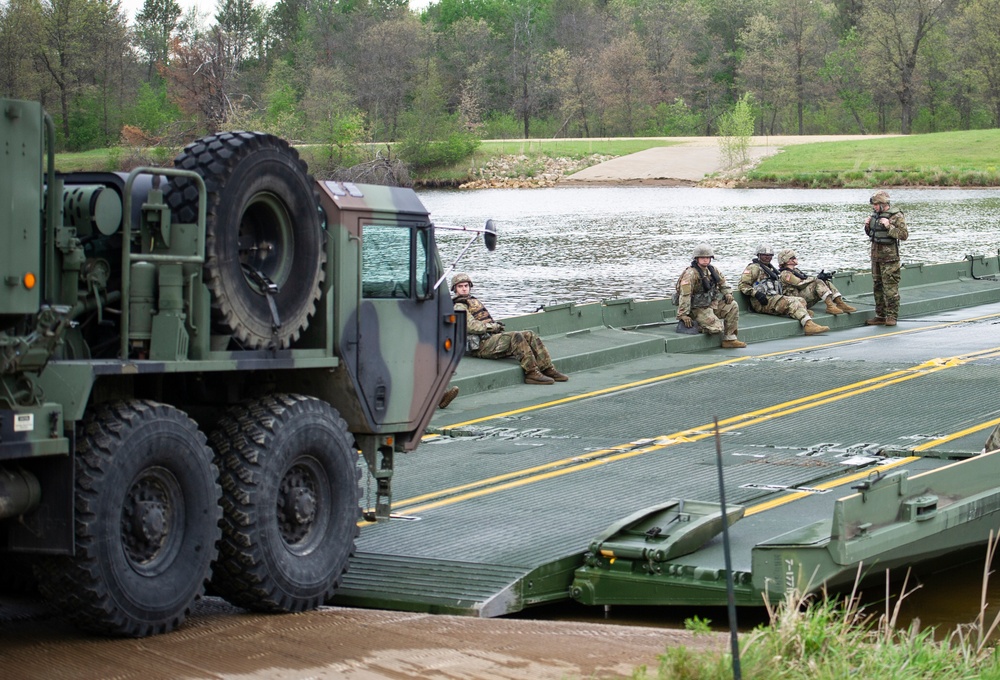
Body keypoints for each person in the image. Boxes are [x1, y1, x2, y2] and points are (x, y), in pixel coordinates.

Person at [450, 273, 568, 385]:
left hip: (490, 339)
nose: (464, 289)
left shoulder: (472, 301)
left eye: (466, 286)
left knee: (529, 334)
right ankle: (531, 373)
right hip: (480, 346)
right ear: (455, 289)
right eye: (460, 286)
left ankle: (547, 368)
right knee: (515, 336)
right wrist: (493, 326)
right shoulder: (459, 306)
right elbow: (471, 326)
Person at [738, 243, 830, 335]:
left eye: (770, 255)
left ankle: (802, 314)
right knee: (792, 302)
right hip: (761, 302)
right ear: (758, 255)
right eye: (765, 255)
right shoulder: (753, 268)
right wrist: (756, 294)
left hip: (773, 298)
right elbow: (743, 285)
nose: (767, 257)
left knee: (801, 300)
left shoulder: (770, 269)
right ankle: (808, 325)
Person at [674, 243, 747, 348]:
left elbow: (723, 283)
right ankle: (697, 324)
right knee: (717, 328)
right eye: (702, 257)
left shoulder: (713, 271)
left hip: (710, 305)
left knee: (733, 306)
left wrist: (728, 293)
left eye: (707, 257)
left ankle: (730, 339)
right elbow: (685, 295)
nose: (705, 260)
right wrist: (683, 314)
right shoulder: (690, 274)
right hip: (696, 309)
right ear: (696, 258)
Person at [863, 190, 909, 326]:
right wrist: (867, 226)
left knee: (890, 288)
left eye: (876, 205)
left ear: (884, 204)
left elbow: (903, 235)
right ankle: (880, 315)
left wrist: (889, 226)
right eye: (874, 205)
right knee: (877, 286)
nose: (874, 207)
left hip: (890, 258)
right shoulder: (874, 216)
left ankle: (892, 316)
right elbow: (872, 234)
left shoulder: (896, 216)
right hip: (876, 257)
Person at [777, 249, 857, 315]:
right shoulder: (786, 274)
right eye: (793, 257)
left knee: (825, 282)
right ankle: (830, 306)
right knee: (818, 282)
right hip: (797, 301)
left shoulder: (795, 271)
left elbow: (806, 279)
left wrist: (822, 278)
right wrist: (817, 278)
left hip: (802, 297)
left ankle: (840, 303)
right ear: (787, 260)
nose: (795, 259)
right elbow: (800, 284)